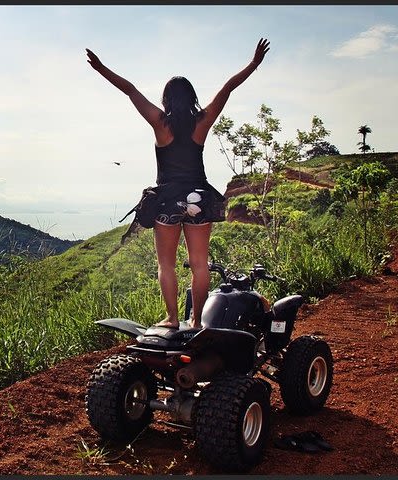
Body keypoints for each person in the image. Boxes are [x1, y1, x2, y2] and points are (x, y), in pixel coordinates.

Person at [86, 38, 270, 329]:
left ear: (166, 99)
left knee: (167, 264)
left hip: (168, 199)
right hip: (199, 196)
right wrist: (254, 64)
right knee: (199, 264)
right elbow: (227, 88)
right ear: (192, 97)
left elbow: (130, 90)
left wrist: (100, 68)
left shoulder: (160, 123)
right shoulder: (202, 121)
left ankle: (172, 319)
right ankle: (197, 321)